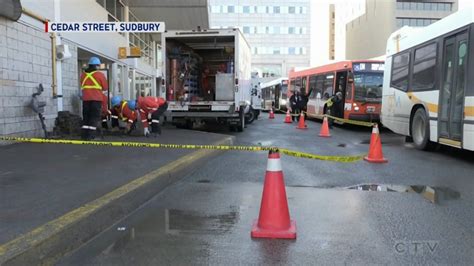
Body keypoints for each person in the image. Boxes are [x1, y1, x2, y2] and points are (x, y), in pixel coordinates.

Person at [80, 57, 108, 140]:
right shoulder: (100, 75)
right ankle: (91, 136)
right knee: (94, 118)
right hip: (96, 100)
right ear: (96, 66)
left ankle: (84, 136)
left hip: (86, 100)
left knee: (86, 117)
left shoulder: (83, 75)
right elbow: (105, 87)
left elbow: (82, 85)